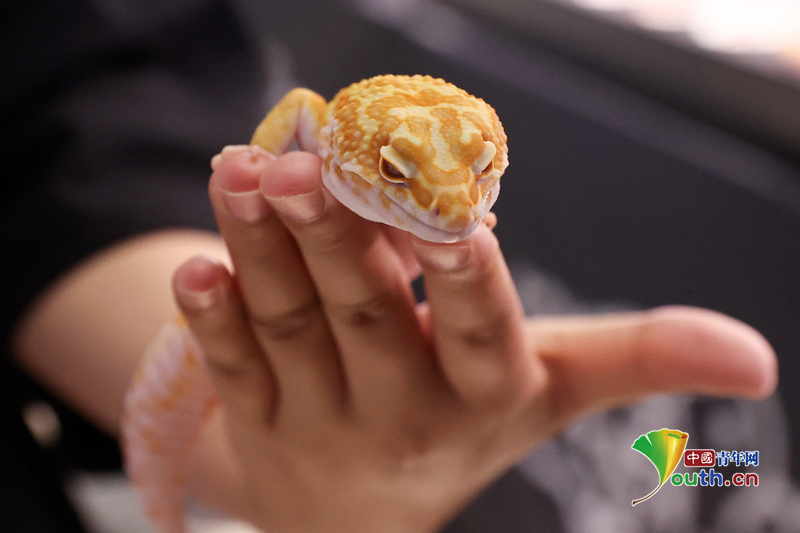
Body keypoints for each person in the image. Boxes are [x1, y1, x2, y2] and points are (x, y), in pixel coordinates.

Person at [2, 0, 778, 531]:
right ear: (342, 150)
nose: (453, 204)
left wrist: (271, 464)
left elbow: (62, 101)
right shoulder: (325, 132)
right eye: (401, 174)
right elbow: (298, 111)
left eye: (478, 171)